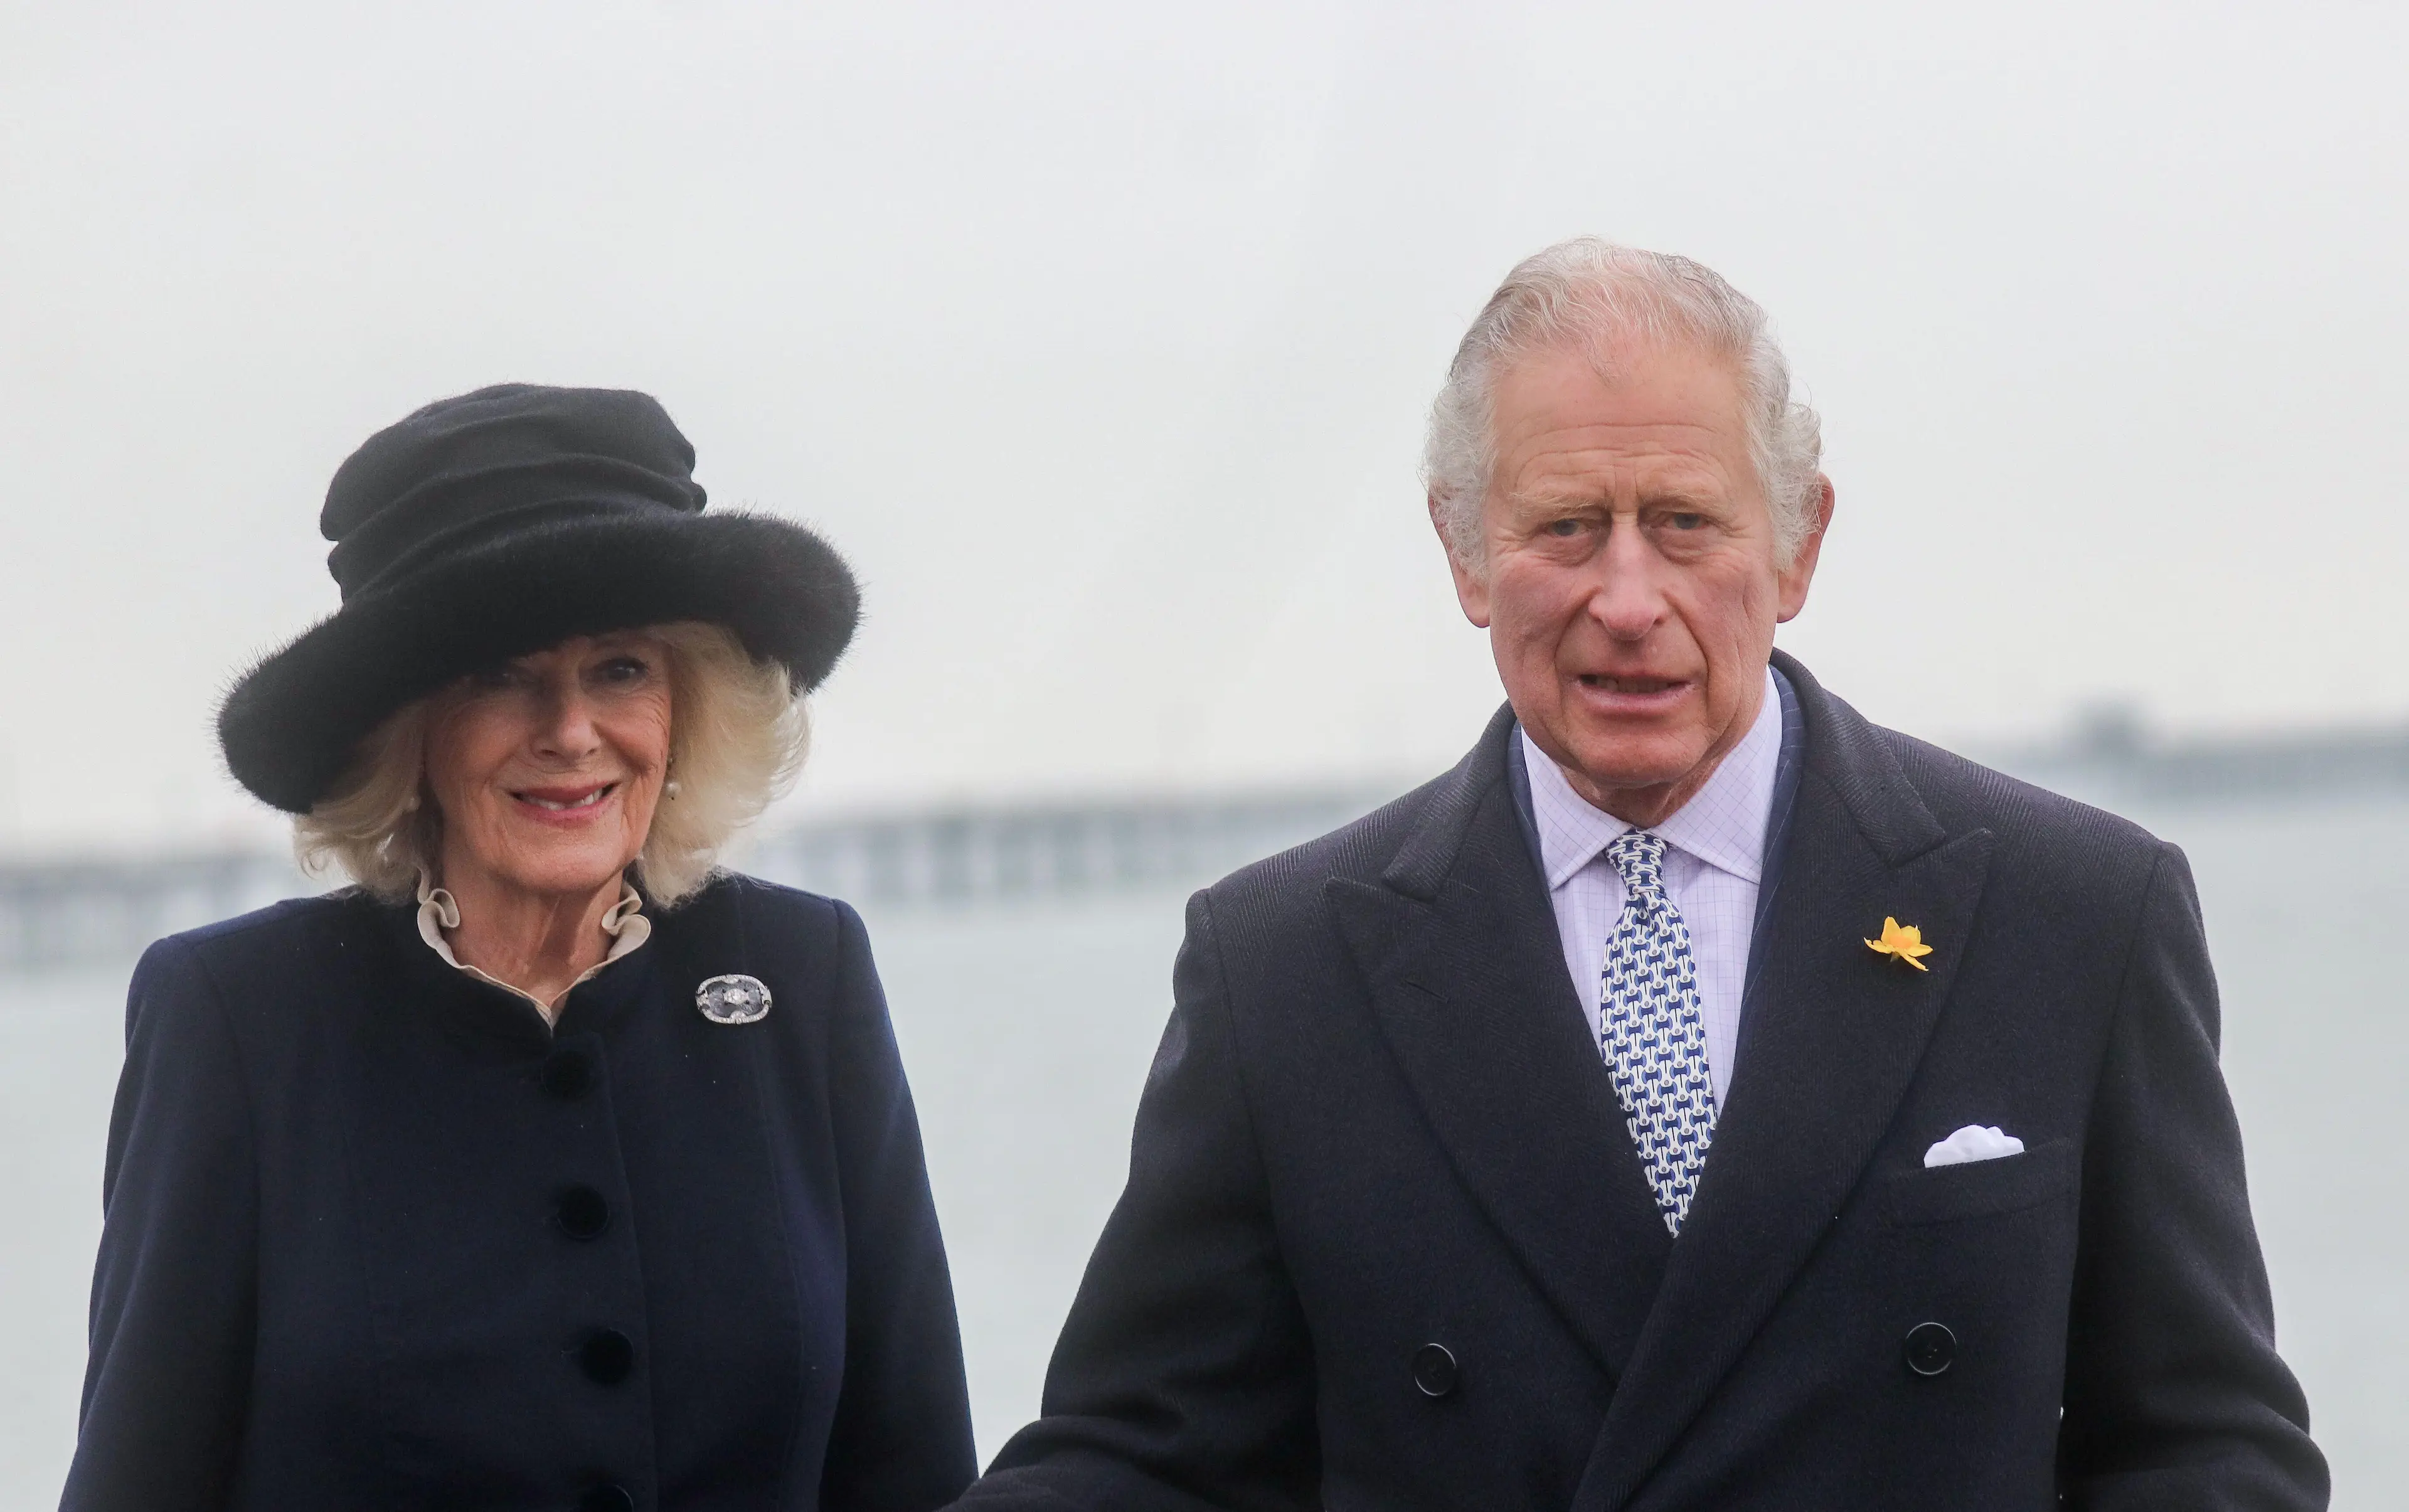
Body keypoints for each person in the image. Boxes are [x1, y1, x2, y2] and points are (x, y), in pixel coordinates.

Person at [954, 242, 2328, 1509]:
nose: (1627, 596)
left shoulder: (2074, 912)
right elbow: (1146, 1460)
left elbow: (2207, 1447)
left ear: (1797, 545)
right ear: (1463, 549)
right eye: (1565, 526)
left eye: (1683, 522)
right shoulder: (1282, 966)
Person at [62, 385, 977, 1512]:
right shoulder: (238, 1016)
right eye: (501, 674)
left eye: (622, 669)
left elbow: (918, 1468)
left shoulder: (805, 973)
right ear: (407, 733)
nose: (571, 731)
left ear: (687, 705)